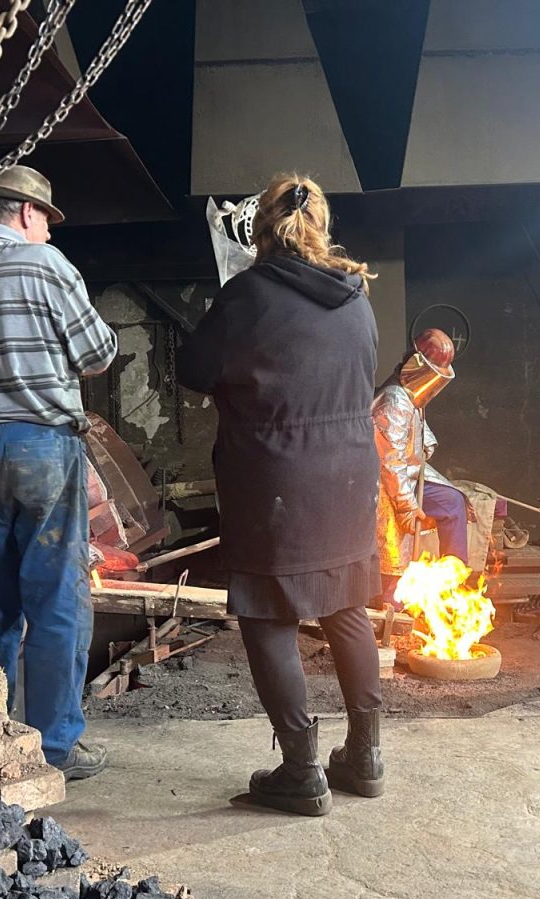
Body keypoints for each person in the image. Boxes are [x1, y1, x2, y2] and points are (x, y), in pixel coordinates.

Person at [178, 173, 384, 816]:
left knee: (269, 614)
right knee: (346, 606)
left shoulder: (247, 295)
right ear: (321, 225)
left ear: (259, 229)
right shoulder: (356, 295)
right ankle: (366, 757)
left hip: (275, 479)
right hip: (350, 472)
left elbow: (192, 370)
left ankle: (301, 772)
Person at [0, 165, 116, 781]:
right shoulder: (47, 264)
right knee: (56, 596)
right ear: (27, 212)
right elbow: (97, 354)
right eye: (46, 220)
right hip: (39, 443)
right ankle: (53, 746)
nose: (48, 231)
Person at [374, 329, 471, 602]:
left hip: (411, 474)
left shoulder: (410, 394)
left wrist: (425, 442)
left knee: (452, 502)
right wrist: (407, 506)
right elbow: (390, 462)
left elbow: (417, 422)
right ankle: (390, 605)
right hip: (386, 487)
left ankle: (454, 579)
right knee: (393, 555)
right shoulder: (394, 399)